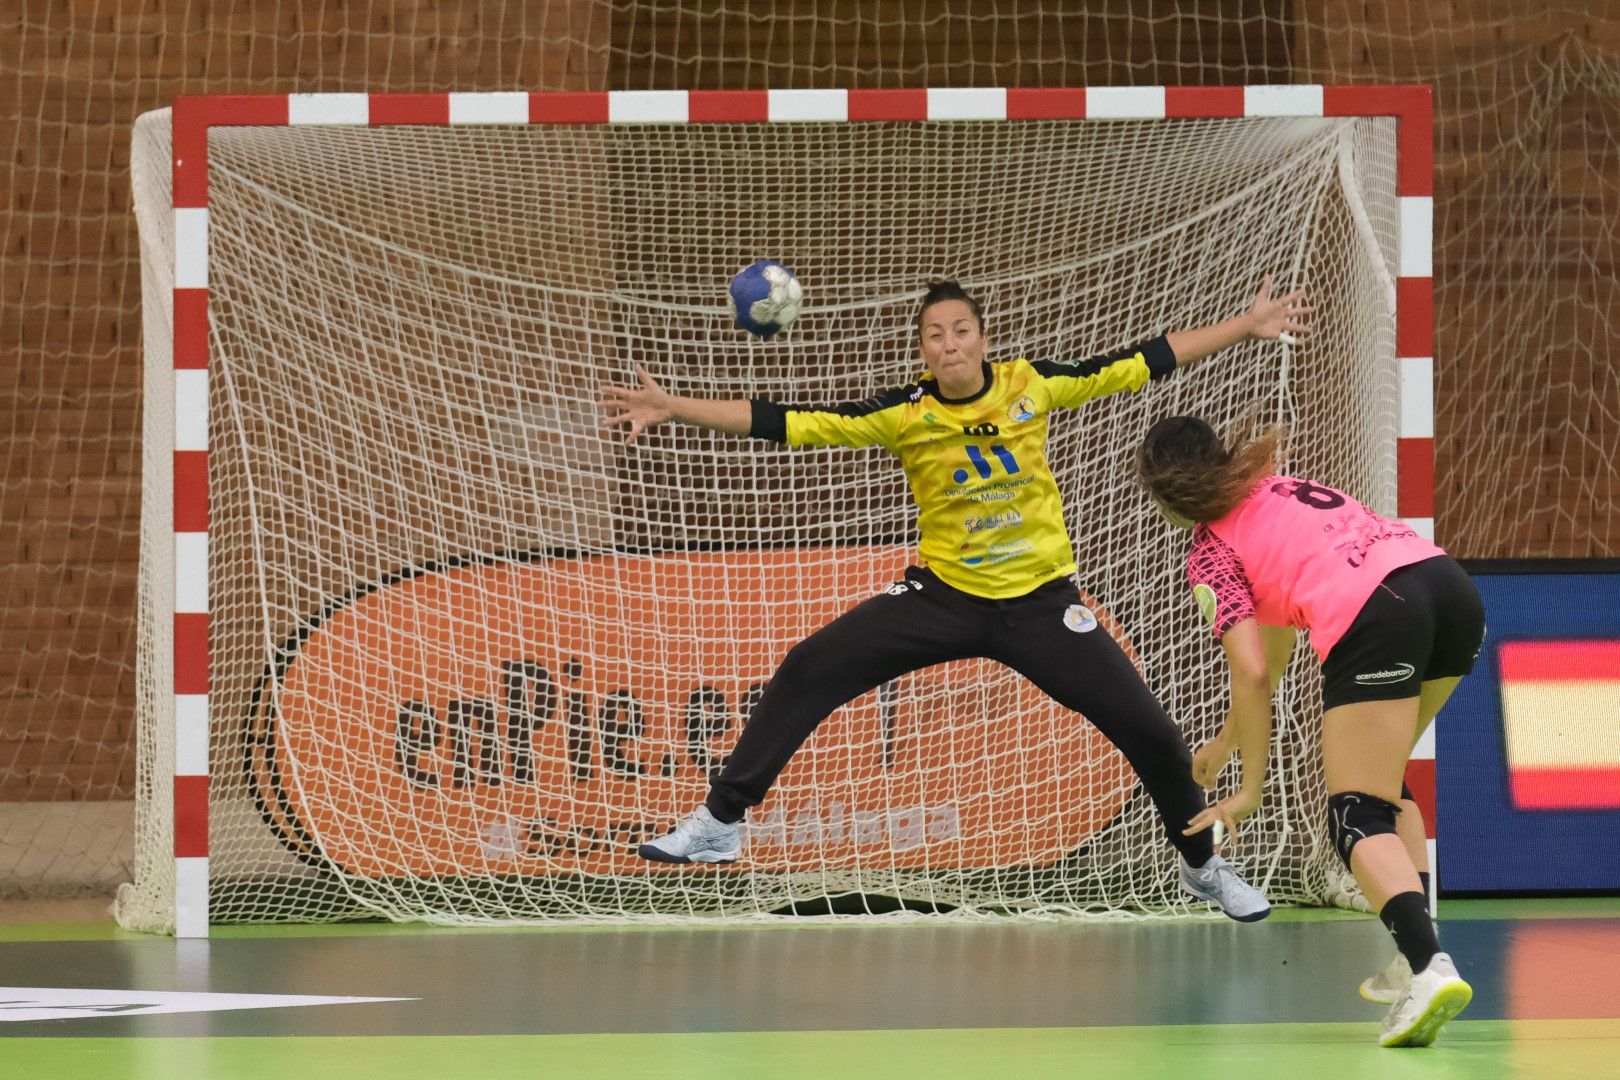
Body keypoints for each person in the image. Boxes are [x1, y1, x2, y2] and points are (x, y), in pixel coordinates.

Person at [600, 276, 1310, 922]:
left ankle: (1203, 865)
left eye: (961, 330)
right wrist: (672, 407)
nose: (950, 344)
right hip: (941, 598)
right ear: (923, 351)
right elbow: (785, 421)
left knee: (1153, 734)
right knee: (810, 664)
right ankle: (720, 822)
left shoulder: (1033, 385)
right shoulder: (904, 414)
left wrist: (1245, 325)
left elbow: (1146, 357)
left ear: (983, 339)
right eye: (935, 335)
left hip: (1040, 604)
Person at [1135, 415, 1485, 1047]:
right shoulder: (1279, 488)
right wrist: (1225, 741)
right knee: (1385, 788)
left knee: (1355, 815)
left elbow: (1249, 666)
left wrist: (1250, 789)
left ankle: (1430, 969)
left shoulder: (1210, 550)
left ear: (1163, 496)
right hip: (1448, 590)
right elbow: (1271, 652)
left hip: (1380, 614)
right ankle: (1415, 952)